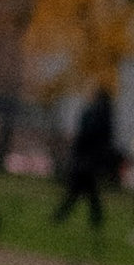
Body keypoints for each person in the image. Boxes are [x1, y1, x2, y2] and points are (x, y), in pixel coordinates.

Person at [54, 89, 119, 235]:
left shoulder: (94, 113)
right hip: (93, 158)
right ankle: (93, 218)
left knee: (80, 189)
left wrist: (77, 150)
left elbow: (86, 135)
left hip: (86, 157)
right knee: (86, 190)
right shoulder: (107, 115)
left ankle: (62, 215)